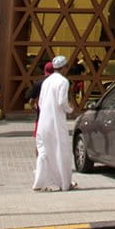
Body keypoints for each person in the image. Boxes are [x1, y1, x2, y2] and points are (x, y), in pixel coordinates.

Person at [33, 55, 76, 191]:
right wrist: (70, 110)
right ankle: (64, 183)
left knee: (44, 152)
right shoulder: (63, 82)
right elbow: (62, 101)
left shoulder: (47, 81)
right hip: (55, 122)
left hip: (43, 122)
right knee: (61, 150)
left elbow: (39, 102)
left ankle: (39, 183)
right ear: (64, 68)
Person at [27, 62, 55, 138]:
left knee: (39, 143)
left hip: (41, 117)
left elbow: (31, 101)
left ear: (45, 71)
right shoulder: (58, 83)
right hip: (55, 118)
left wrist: (33, 107)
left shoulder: (38, 84)